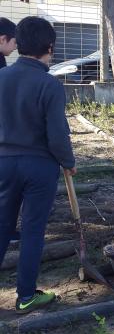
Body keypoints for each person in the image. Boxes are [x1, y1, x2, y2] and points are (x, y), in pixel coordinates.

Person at [0, 16, 76, 314]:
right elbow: (57, 135)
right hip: (39, 167)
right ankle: (26, 296)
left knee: (2, 226)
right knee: (32, 230)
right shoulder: (50, 85)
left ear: (18, 44)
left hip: (3, 163)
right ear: (50, 47)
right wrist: (68, 163)